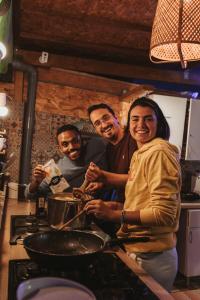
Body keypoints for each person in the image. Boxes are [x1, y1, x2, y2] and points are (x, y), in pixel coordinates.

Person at [85, 97, 181, 292]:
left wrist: (116, 215)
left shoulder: (159, 152)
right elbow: (144, 200)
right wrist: (121, 208)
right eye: (135, 119)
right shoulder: (141, 153)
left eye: (148, 119)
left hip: (154, 255)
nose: (141, 125)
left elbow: (164, 214)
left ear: (159, 123)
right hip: (139, 250)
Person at [25, 124, 107, 200]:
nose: (71, 147)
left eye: (75, 141)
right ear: (59, 149)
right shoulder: (55, 171)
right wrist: (37, 181)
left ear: (81, 141)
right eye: (65, 144)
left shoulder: (97, 148)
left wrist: (102, 184)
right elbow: (29, 195)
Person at [87, 103, 137, 201]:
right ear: (96, 129)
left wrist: (103, 176)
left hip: (139, 207)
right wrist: (101, 184)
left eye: (106, 118)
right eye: (97, 123)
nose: (104, 125)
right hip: (122, 205)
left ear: (115, 117)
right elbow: (116, 180)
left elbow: (138, 179)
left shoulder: (133, 138)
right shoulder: (108, 150)